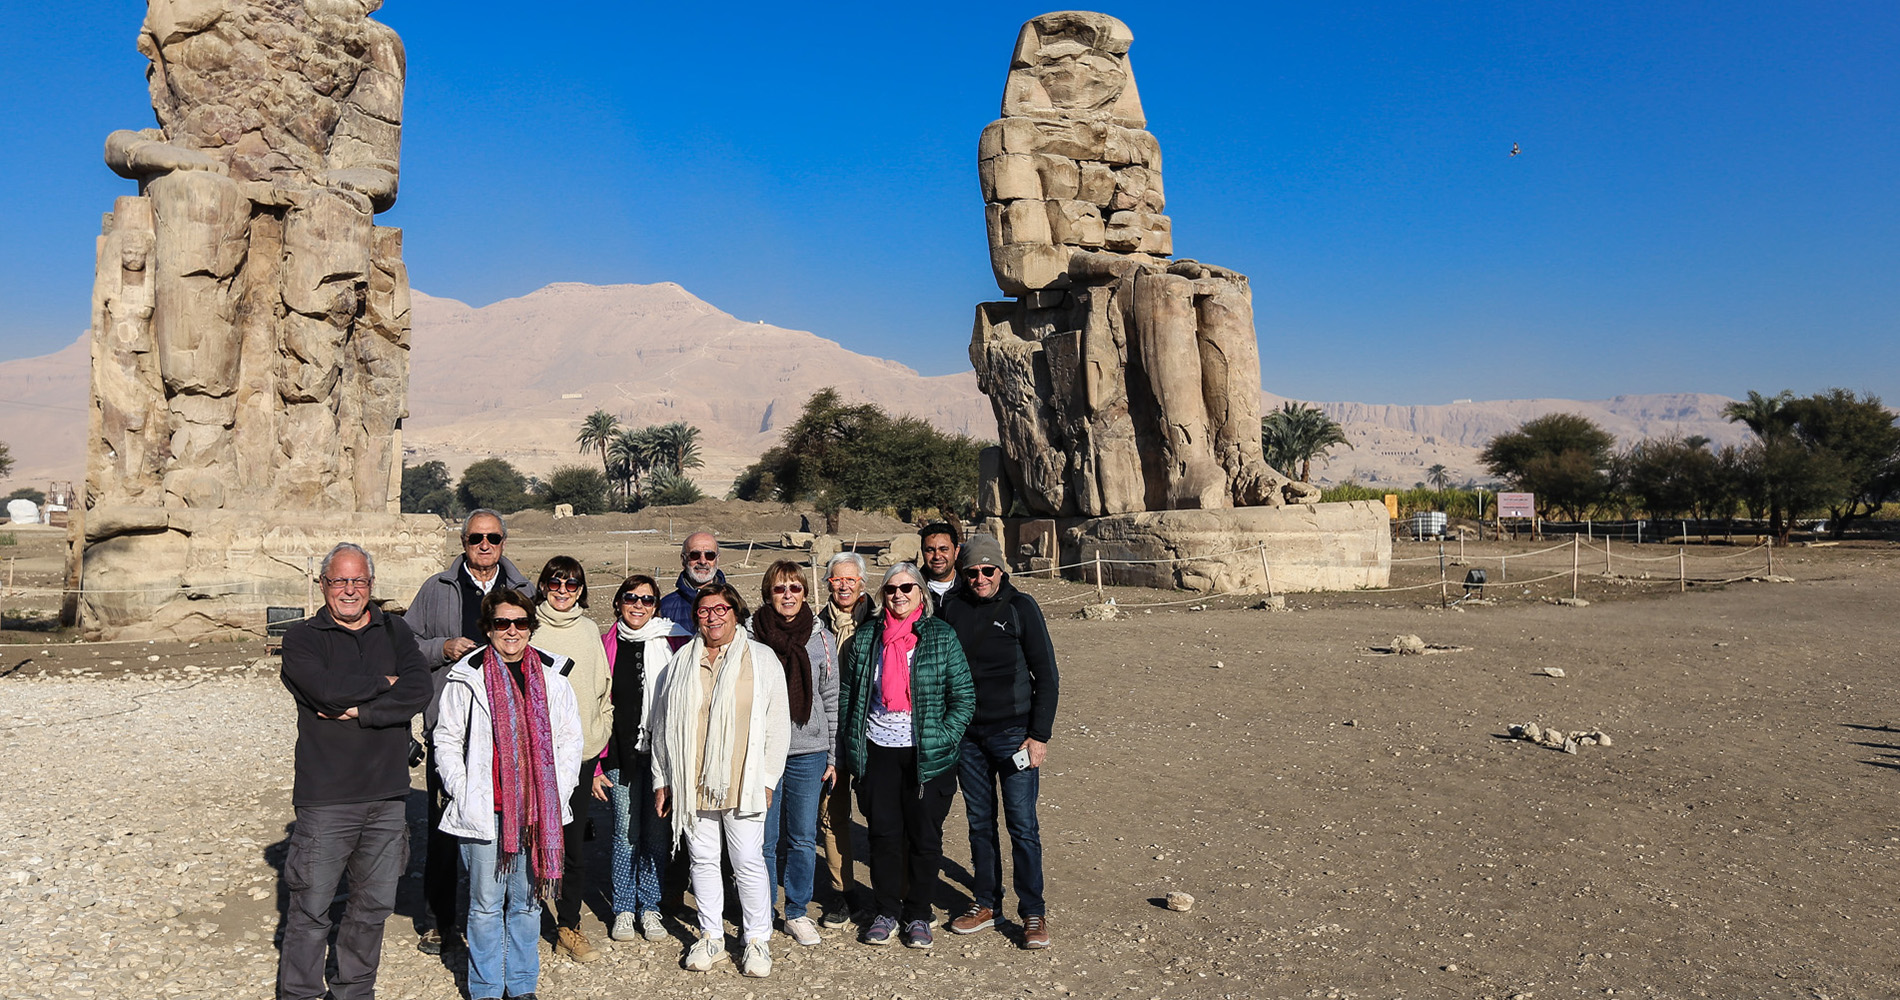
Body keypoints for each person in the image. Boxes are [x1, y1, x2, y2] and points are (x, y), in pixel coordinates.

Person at [277, 543, 431, 1000]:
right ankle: (301, 994)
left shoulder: (395, 630)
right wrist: (385, 684)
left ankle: (354, 991)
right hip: (326, 798)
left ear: (371, 585)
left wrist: (359, 712)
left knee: (372, 907)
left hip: (386, 796)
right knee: (311, 908)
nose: (349, 590)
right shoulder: (303, 637)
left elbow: (419, 688)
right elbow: (322, 690)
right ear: (323, 585)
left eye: (358, 581)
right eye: (339, 581)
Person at [434, 590, 583, 1000]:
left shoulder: (552, 676)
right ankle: (484, 988)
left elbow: (570, 740)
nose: (512, 631)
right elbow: (446, 737)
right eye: (502, 623)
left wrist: (559, 791)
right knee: (484, 906)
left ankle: (520, 986)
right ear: (488, 628)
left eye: (520, 622)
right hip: (487, 810)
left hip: (537, 812)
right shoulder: (467, 675)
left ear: (531, 627)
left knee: (527, 904)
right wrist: (462, 790)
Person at [402, 509, 536, 956]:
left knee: (507, 825)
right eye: (476, 537)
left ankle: (497, 915)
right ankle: (440, 920)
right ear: (462, 541)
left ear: (503, 542)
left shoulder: (521, 592)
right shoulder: (436, 589)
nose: (484, 545)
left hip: (511, 733)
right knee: (446, 828)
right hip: (452, 729)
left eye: (493, 538)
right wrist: (440, 648)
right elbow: (403, 644)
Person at [651, 583, 789, 978]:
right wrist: (663, 777)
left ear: (735, 612)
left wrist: (767, 778)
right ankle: (711, 934)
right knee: (703, 859)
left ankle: (757, 938)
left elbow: (778, 724)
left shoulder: (760, 659)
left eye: (720, 609)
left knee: (747, 859)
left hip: (742, 778)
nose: (712, 617)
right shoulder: (680, 663)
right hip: (691, 778)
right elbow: (662, 723)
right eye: (704, 611)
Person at [837, 562, 974, 950]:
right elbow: (850, 693)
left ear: (921, 595)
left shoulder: (941, 636)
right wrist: (853, 740)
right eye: (891, 589)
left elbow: (963, 698)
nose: (898, 595)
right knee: (883, 836)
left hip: (925, 754)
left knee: (924, 837)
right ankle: (886, 911)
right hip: (878, 750)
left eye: (906, 589)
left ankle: (918, 913)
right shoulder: (867, 639)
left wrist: (942, 736)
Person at [936, 534, 1060, 949]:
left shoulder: (1021, 608)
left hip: (1014, 733)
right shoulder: (952, 608)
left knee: (1022, 824)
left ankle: (1033, 912)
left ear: (1000, 570)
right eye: (971, 571)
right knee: (978, 822)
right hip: (968, 735)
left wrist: (1038, 736)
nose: (980, 578)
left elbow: (1047, 675)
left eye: (987, 570)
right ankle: (986, 902)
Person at [528, 557, 613, 964]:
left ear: (581, 589)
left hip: (578, 757)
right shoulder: (527, 627)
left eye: (572, 584)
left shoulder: (587, 630)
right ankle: (523, 920)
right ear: (543, 585)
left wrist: (599, 736)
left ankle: (569, 924)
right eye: (555, 583)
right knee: (529, 840)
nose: (563, 591)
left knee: (573, 844)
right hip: (532, 758)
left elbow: (601, 690)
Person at [753, 560, 840, 947]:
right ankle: (762, 909)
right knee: (764, 838)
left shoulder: (821, 638)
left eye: (795, 588)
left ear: (805, 593)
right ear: (767, 594)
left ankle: (798, 910)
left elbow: (832, 697)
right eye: (779, 589)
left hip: (809, 750)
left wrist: (834, 754)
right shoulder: (751, 635)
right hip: (764, 752)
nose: (787, 596)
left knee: (803, 837)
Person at [597, 574, 684, 943]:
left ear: (656, 607)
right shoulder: (605, 644)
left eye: (647, 600)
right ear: (618, 602)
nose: (638, 605)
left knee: (656, 833)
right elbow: (595, 704)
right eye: (631, 597)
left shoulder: (673, 640)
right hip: (620, 756)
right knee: (624, 833)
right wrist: (597, 764)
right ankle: (622, 909)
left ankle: (649, 907)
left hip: (662, 756)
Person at [814, 551, 873, 928]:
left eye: (851, 579)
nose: (844, 585)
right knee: (832, 817)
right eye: (837, 579)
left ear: (862, 584)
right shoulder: (813, 626)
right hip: (828, 736)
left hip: (871, 736)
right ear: (828, 583)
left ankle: (893, 893)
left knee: (882, 816)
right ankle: (842, 890)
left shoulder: (882, 623)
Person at [658, 531, 726, 625]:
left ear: (717, 559)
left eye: (709, 555)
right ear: (683, 560)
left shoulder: (733, 601)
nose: (702, 561)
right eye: (695, 555)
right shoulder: (666, 607)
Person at [919, 522, 962, 600]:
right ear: (922, 552)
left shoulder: (972, 591)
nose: (937, 556)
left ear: (956, 552)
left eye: (944, 549)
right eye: (930, 550)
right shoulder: (909, 592)